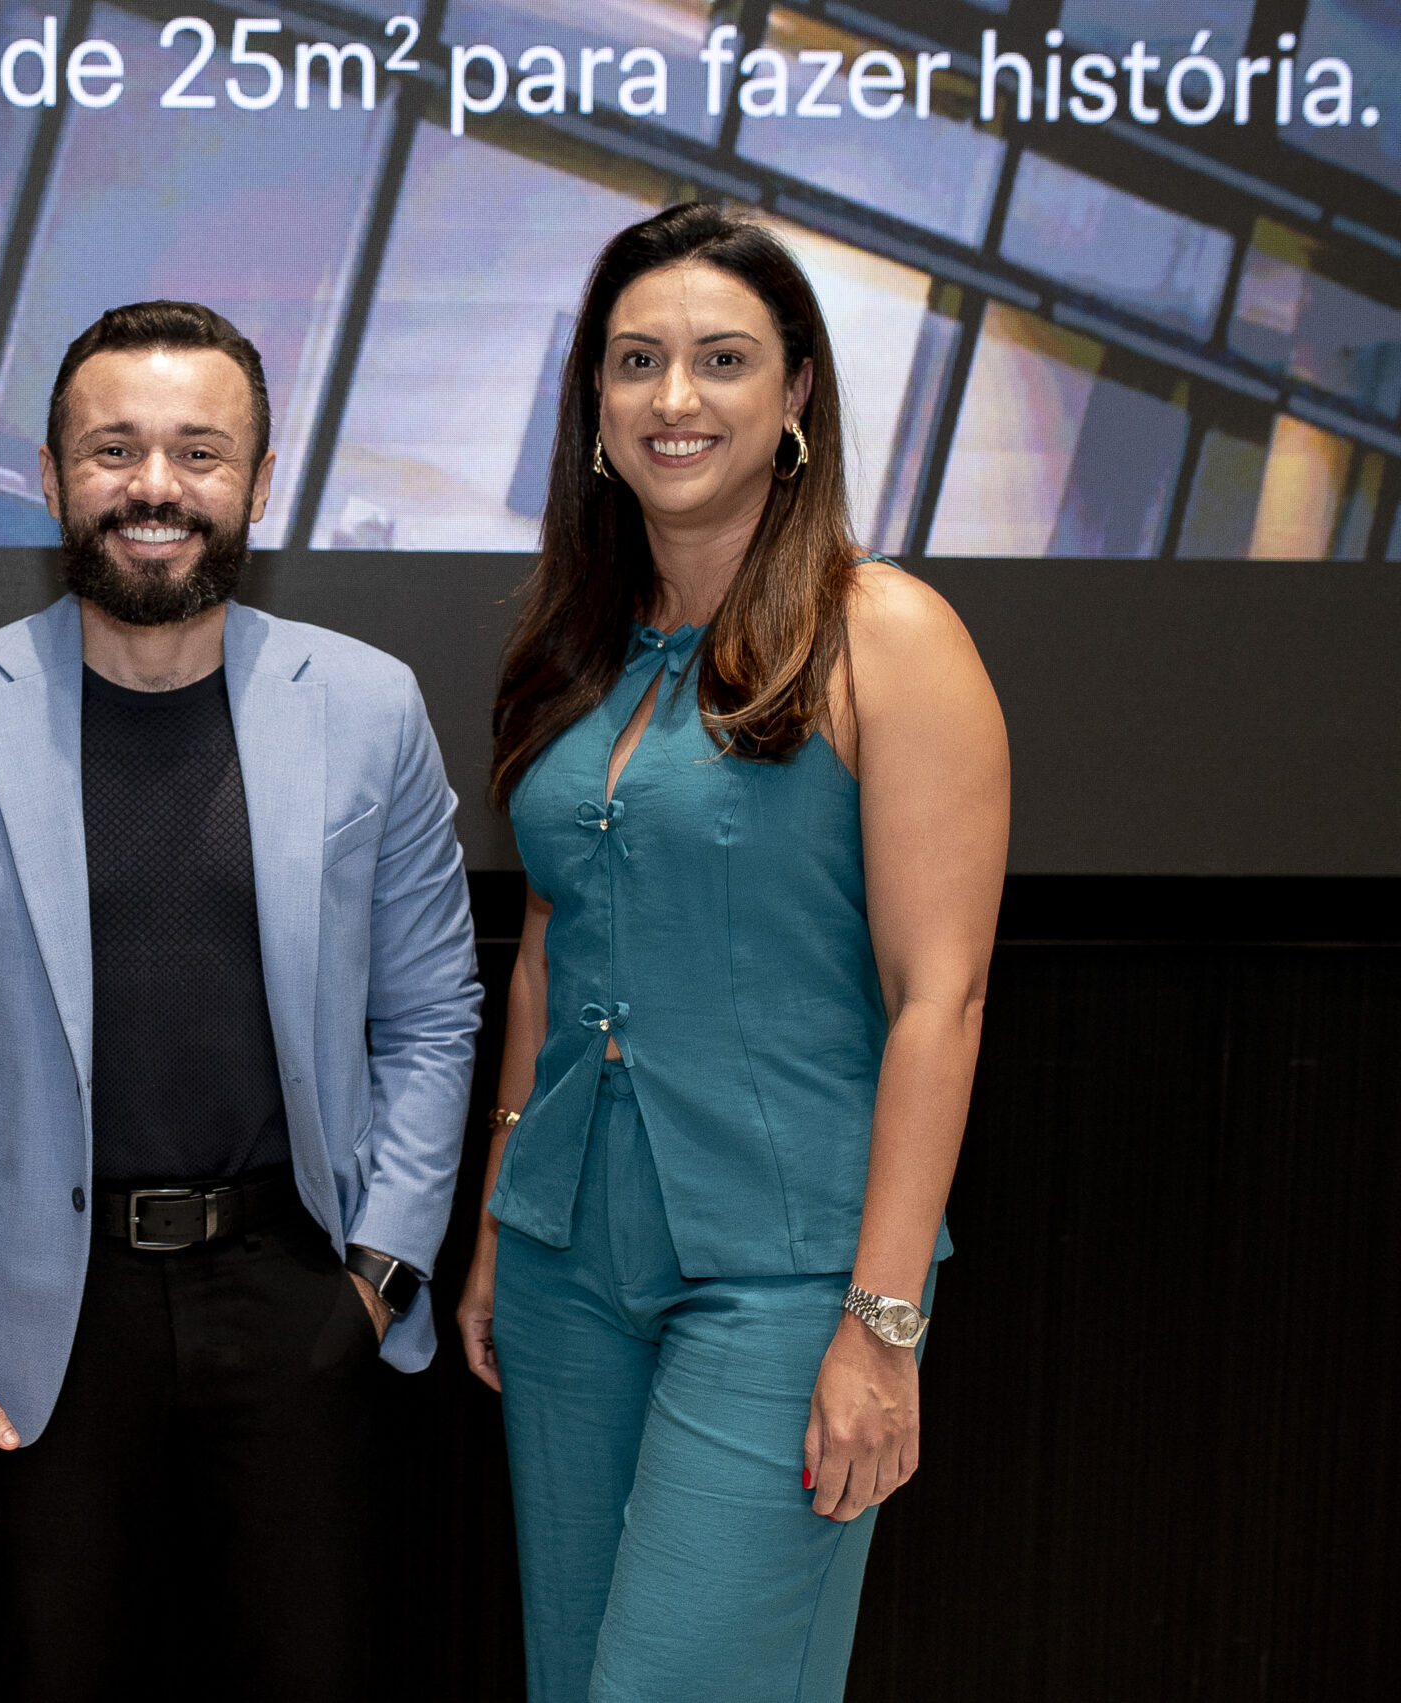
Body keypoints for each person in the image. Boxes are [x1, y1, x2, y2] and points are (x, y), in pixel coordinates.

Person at [0, 301, 482, 1700]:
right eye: (114, 449)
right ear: (50, 475)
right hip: (31, 1324)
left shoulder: (370, 706)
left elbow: (434, 1014)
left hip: (299, 1295)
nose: (155, 487)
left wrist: (380, 1273)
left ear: (259, 483)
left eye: (200, 452)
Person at [455, 204, 1009, 1702]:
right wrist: (503, 1217)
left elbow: (941, 999)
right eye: (636, 361)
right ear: (594, 402)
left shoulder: (887, 634)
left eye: (721, 358)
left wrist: (881, 1328)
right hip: (566, 1264)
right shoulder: (573, 650)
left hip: (789, 1279)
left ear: (797, 392)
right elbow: (548, 943)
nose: (674, 398)